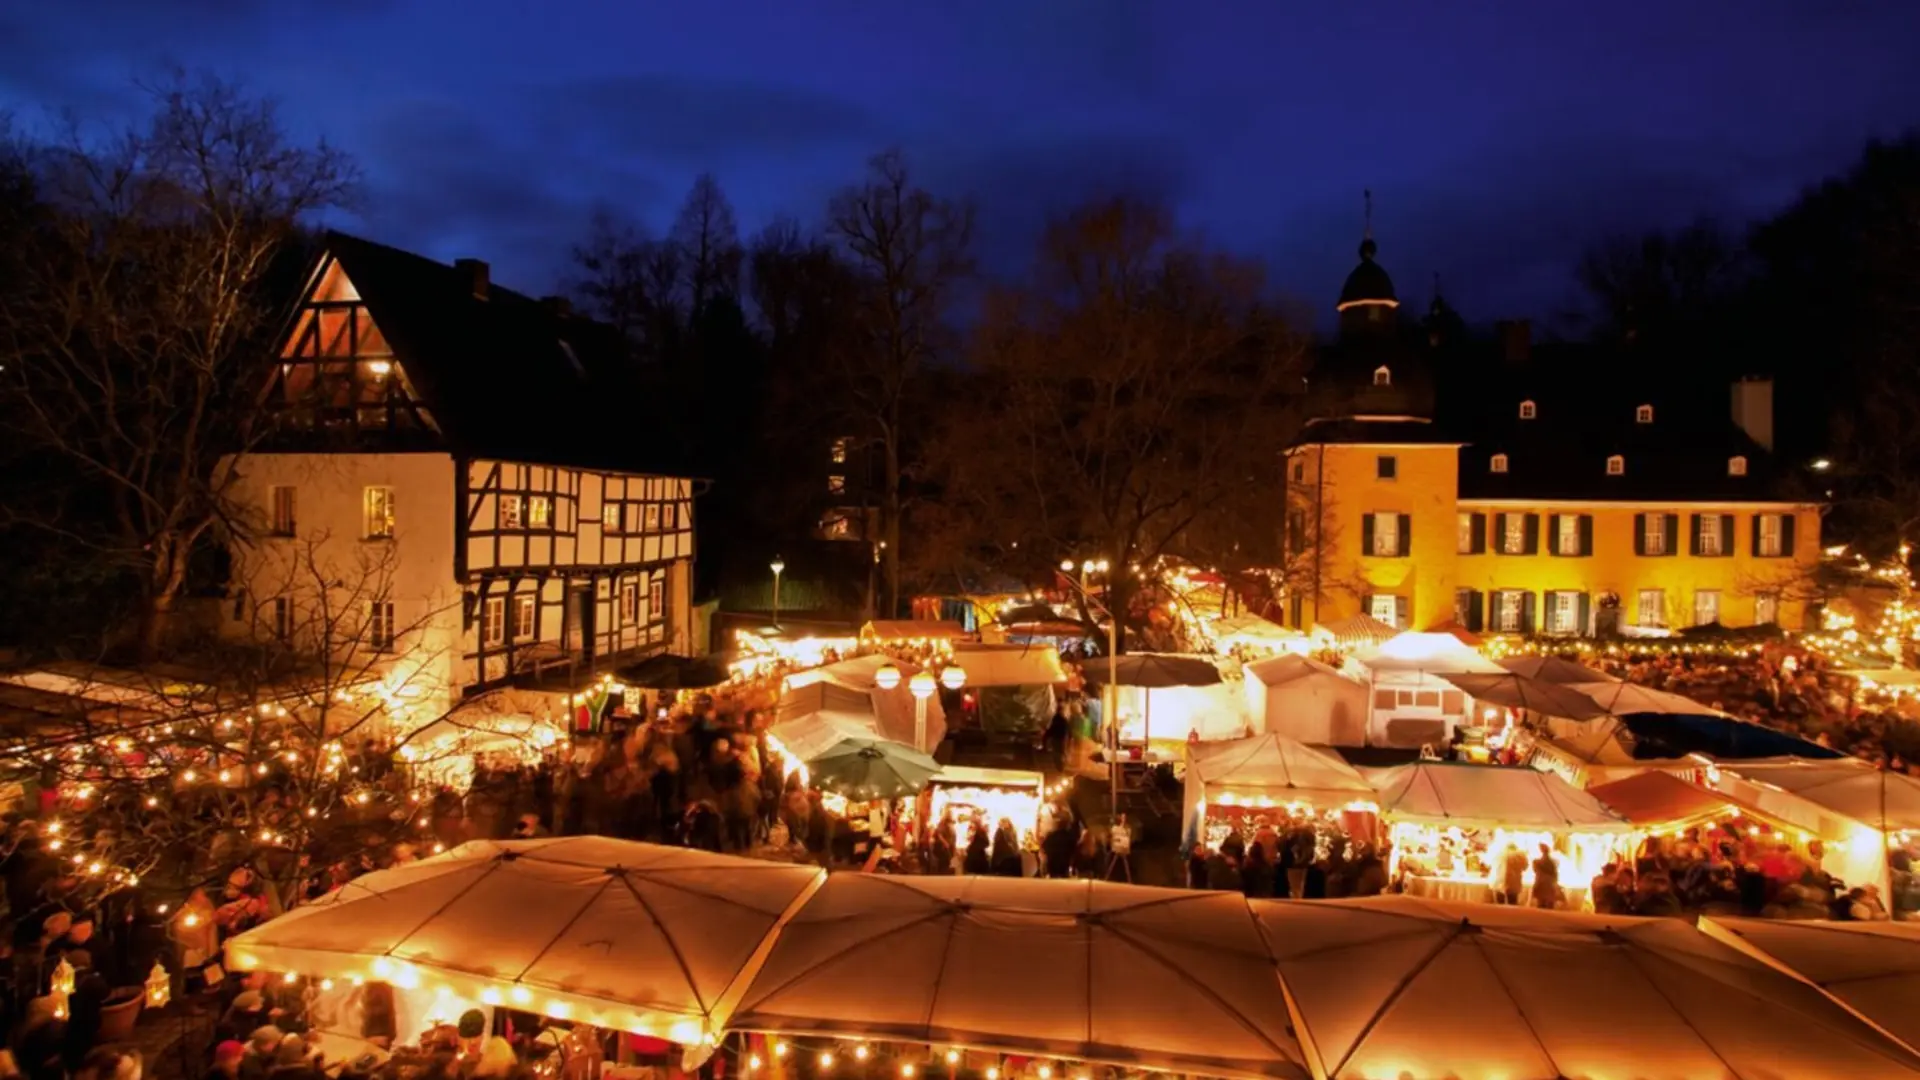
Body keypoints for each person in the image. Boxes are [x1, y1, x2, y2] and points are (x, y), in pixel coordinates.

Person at [1531, 843, 1561, 910]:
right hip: (1549, 883)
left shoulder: (1539, 862)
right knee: (1548, 901)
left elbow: (1537, 872)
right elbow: (1555, 874)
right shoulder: (1552, 862)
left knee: (1542, 902)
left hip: (1542, 883)